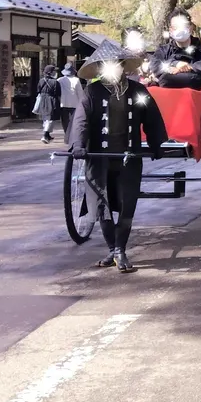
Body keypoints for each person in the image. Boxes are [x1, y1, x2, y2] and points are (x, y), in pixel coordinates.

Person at [67, 44, 168, 273]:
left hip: (128, 155)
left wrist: (156, 143)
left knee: (126, 204)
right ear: (101, 68)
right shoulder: (92, 92)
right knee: (101, 206)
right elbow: (81, 120)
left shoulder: (137, 90)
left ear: (123, 67)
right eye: (108, 65)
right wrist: (79, 145)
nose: (113, 68)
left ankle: (120, 249)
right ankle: (114, 249)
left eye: (117, 64)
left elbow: (151, 116)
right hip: (99, 157)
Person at [152, 13, 201, 90]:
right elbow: (155, 65)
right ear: (170, 30)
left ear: (190, 27)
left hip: (196, 94)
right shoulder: (163, 50)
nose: (180, 29)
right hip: (167, 94)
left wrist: (187, 67)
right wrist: (175, 64)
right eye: (176, 26)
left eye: (183, 25)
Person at [34, 64, 61, 143]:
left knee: (45, 117)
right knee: (50, 118)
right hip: (51, 100)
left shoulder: (41, 80)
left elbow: (38, 90)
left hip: (43, 100)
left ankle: (47, 135)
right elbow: (58, 93)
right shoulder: (55, 82)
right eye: (54, 71)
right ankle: (45, 135)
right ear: (51, 72)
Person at [58, 59, 82, 141]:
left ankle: (66, 135)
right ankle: (73, 134)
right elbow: (80, 92)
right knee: (74, 120)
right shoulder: (76, 80)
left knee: (65, 121)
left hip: (63, 103)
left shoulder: (59, 80)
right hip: (74, 103)